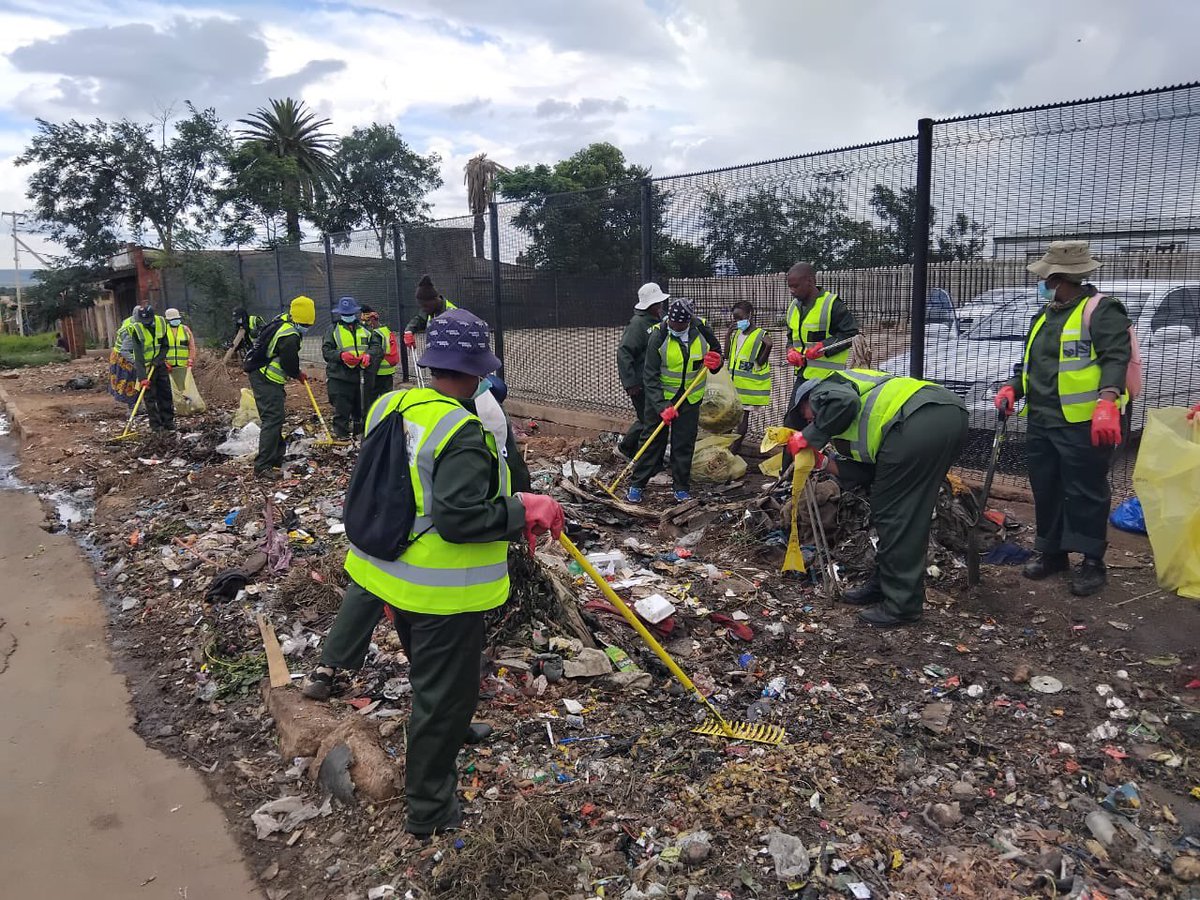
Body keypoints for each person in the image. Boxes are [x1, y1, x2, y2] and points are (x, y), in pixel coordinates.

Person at [336, 308, 563, 837]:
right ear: (479, 368)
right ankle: (429, 808)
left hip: (394, 573)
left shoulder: (392, 403)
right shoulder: (462, 429)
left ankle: (453, 731)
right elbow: (460, 519)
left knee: (435, 682)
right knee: (443, 695)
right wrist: (523, 509)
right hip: (443, 591)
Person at [302, 371, 529, 701]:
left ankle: (330, 667)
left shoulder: (402, 402)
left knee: (367, 587)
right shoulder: (481, 415)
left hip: (383, 522)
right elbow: (506, 471)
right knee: (431, 623)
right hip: (428, 546)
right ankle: (441, 692)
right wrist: (521, 509)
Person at [993, 241, 1132, 597]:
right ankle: (1052, 552)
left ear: (1057, 277)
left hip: (1083, 421)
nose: (1044, 282)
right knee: (1047, 486)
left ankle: (1091, 560)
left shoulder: (1102, 311)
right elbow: (1029, 364)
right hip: (1042, 418)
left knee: (1085, 490)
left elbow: (1116, 357)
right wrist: (1013, 387)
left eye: (1047, 276)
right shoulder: (1044, 315)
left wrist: (1107, 402)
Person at [785, 368, 967, 627]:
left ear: (807, 401)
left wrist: (808, 437)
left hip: (918, 420)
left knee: (895, 515)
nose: (808, 421)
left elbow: (844, 402)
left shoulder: (824, 390)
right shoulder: (846, 427)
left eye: (805, 417)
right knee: (903, 511)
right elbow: (867, 473)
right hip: (942, 417)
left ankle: (901, 605)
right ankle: (887, 585)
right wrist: (822, 462)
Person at [628, 298, 723, 504]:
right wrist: (662, 406)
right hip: (661, 398)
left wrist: (716, 362)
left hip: (690, 398)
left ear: (688, 322)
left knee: (684, 443)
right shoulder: (658, 335)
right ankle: (637, 484)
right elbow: (650, 376)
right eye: (672, 323)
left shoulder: (702, 330)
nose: (674, 327)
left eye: (679, 325)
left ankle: (681, 487)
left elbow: (717, 351)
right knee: (652, 440)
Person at [249, 296, 316, 478]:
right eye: (305, 325)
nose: (306, 328)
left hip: (264, 375)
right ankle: (263, 466)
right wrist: (297, 374)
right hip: (266, 377)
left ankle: (276, 457)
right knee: (272, 418)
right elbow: (289, 363)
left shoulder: (284, 320)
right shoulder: (289, 336)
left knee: (276, 417)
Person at [782, 262, 859, 383]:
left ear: (810, 281)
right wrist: (790, 351)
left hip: (830, 378)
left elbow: (851, 334)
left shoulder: (832, 304)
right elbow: (791, 337)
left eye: (795, 286)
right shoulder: (793, 307)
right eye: (790, 287)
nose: (792, 291)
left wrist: (824, 347)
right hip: (803, 376)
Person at [616, 283, 668, 459]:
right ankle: (634, 452)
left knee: (647, 418)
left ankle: (629, 449)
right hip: (640, 382)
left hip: (652, 380)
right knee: (648, 420)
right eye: (658, 303)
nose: (661, 306)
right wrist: (630, 382)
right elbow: (624, 353)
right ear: (650, 305)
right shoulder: (638, 324)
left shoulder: (656, 321)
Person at [322, 296, 382, 439]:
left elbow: (376, 346)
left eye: (350, 314)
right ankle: (341, 436)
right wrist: (341, 355)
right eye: (345, 314)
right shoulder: (333, 329)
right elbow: (326, 351)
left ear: (355, 313)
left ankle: (359, 436)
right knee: (341, 409)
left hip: (360, 375)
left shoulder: (365, 329)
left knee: (361, 409)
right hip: (340, 376)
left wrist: (369, 355)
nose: (348, 317)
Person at [725, 299, 773, 452]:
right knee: (729, 417)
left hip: (748, 386)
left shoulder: (760, 334)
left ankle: (734, 450)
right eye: (735, 319)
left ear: (750, 315)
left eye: (740, 318)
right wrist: (728, 334)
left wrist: (768, 347)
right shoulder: (736, 335)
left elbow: (760, 361)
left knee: (742, 418)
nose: (737, 322)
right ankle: (725, 446)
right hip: (733, 383)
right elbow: (726, 355)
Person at [129, 304, 174, 432]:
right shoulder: (137, 330)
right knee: (150, 398)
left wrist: (158, 360)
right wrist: (142, 377)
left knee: (165, 394)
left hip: (159, 366)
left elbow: (165, 346)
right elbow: (138, 356)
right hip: (147, 368)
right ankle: (156, 425)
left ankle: (168, 422)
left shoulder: (161, 323)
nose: (146, 324)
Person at [403, 275, 458, 350]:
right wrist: (409, 331)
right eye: (421, 306)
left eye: (425, 306)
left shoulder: (453, 314)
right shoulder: (430, 310)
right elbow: (419, 319)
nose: (423, 309)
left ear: (435, 299)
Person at [361, 304, 400, 409]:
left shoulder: (375, 333)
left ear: (372, 319)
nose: (364, 324)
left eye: (366, 321)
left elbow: (376, 354)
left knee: (371, 402)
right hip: (388, 371)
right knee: (386, 401)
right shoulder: (385, 330)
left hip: (377, 372)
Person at [108, 312, 139, 407]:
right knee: (129, 380)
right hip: (123, 358)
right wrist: (135, 362)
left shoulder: (129, 320)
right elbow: (124, 350)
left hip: (118, 354)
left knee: (129, 381)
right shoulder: (132, 329)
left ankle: (135, 405)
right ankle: (132, 406)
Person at [163, 308, 193, 373]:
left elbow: (191, 347)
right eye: (173, 319)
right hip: (168, 367)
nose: (175, 320)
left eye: (176, 319)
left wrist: (190, 359)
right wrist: (164, 363)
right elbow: (160, 349)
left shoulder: (185, 329)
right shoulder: (164, 331)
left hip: (184, 366)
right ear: (168, 320)